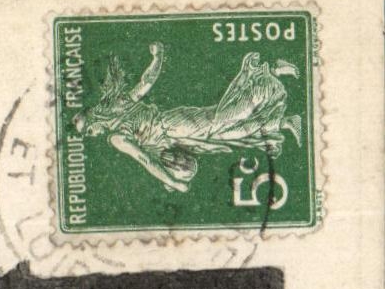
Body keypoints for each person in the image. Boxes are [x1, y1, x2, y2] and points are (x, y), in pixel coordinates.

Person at [71, 43, 302, 194]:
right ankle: (285, 121)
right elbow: (146, 83)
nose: (93, 135)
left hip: (173, 127)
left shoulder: (116, 138)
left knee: (224, 119)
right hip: (176, 132)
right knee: (228, 132)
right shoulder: (122, 106)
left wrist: (174, 183)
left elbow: (145, 160)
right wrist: (158, 57)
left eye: (89, 130)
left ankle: (268, 72)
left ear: (95, 120)